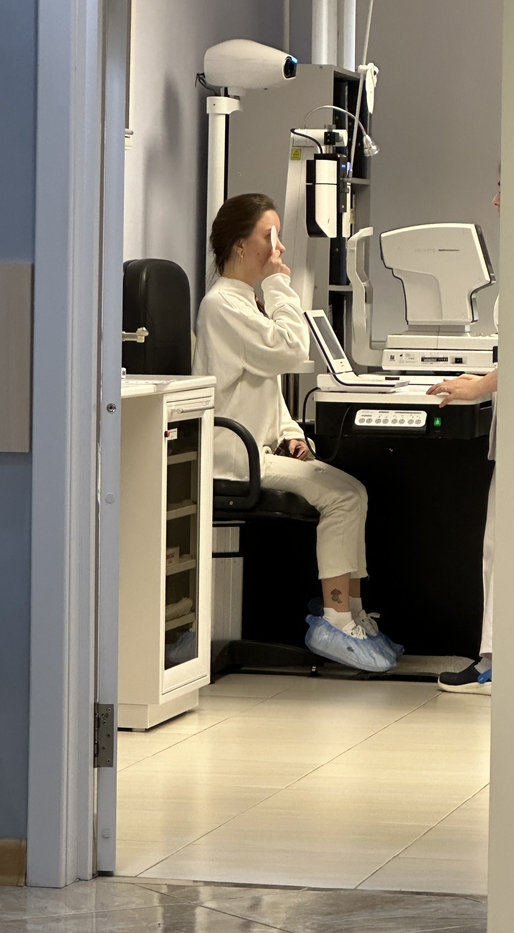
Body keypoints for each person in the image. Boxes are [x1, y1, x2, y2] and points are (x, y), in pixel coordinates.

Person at [193, 193, 401, 673]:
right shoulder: (222, 305)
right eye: (270, 236)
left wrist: (291, 432)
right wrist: (281, 287)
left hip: (259, 446)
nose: (280, 247)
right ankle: (335, 619)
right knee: (342, 497)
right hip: (235, 455)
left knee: (353, 491)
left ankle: (353, 615)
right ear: (240, 246)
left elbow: (262, 385)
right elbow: (290, 350)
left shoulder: (245, 302)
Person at [427, 179, 501, 695]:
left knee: (503, 545)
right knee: (500, 544)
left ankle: (497, 660)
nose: (495, 200)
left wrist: (479, 386)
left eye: (503, 187)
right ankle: (497, 656)